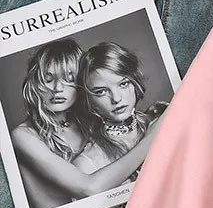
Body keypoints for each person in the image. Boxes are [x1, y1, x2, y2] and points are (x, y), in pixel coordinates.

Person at [9, 39, 163, 208]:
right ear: (34, 83)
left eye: (69, 78)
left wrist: (146, 119)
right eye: (48, 79)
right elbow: (88, 189)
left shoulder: (87, 119)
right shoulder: (23, 136)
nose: (58, 88)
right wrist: (153, 138)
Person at [72, 42, 168, 179]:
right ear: (88, 99)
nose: (116, 98)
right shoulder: (87, 165)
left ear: (135, 82)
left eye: (123, 84)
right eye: (101, 92)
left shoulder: (163, 121)